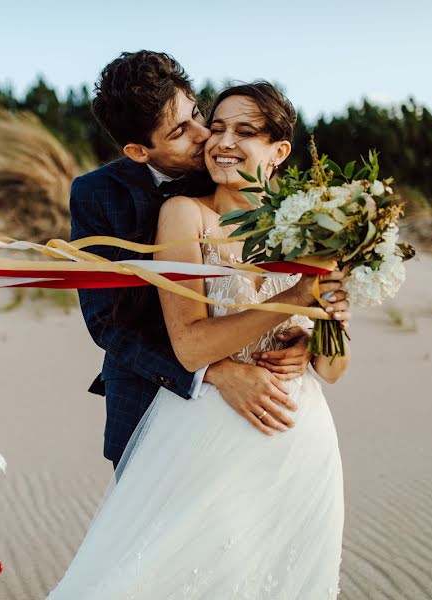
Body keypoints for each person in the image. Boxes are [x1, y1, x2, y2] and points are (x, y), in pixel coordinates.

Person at [49, 80, 351, 598]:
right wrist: (291, 304)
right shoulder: (177, 212)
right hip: (197, 426)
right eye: (215, 127)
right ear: (139, 149)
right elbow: (122, 327)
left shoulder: (314, 222)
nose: (213, 139)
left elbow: (334, 368)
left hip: (301, 437)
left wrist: (317, 338)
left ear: (279, 151)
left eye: (237, 129)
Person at [70, 51, 316, 471]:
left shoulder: (231, 169)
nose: (207, 136)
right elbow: (107, 324)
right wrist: (214, 372)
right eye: (182, 131)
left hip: (271, 411)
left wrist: (307, 344)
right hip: (153, 399)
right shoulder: (98, 194)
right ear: (138, 150)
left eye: (199, 114)